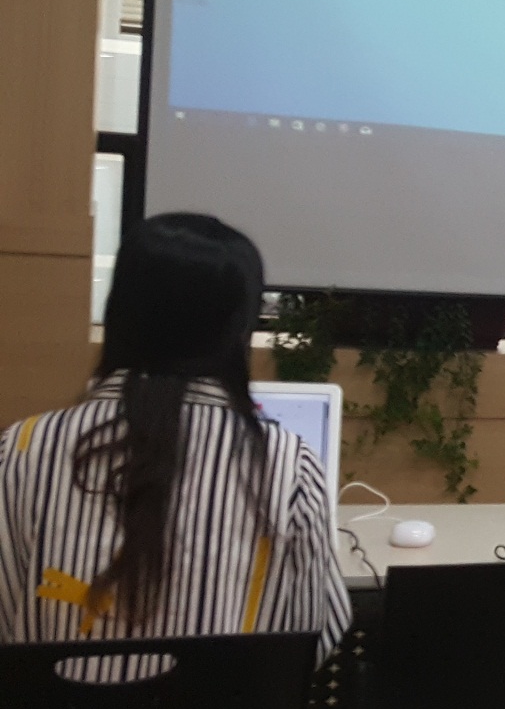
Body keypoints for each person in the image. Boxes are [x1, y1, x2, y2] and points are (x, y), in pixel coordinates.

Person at [0, 215, 349, 660]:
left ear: (118, 313)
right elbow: (314, 638)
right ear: (238, 329)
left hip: (50, 707)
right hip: (227, 707)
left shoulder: (23, 448)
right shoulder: (288, 464)